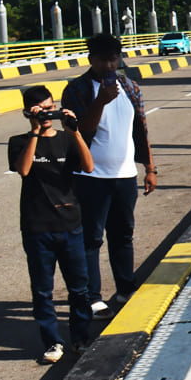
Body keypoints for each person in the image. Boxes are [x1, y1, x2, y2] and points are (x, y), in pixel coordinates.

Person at [62, 33, 158, 316]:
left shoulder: (129, 87)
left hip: (124, 175)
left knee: (123, 235)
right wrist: (101, 102)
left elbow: (140, 130)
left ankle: (125, 289)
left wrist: (149, 168)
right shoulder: (77, 90)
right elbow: (81, 130)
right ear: (90, 59)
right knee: (91, 238)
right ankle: (93, 297)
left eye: (113, 59)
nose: (108, 65)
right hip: (91, 177)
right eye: (103, 59)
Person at [8, 85, 95, 364]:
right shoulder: (19, 141)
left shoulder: (67, 140)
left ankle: (80, 337)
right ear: (27, 112)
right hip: (37, 228)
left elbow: (89, 166)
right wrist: (35, 130)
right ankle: (52, 342)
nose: (47, 114)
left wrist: (75, 131)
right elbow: (23, 169)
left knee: (79, 289)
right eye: (40, 110)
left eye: (49, 108)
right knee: (43, 291)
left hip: (70, 225)